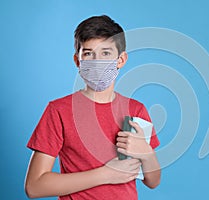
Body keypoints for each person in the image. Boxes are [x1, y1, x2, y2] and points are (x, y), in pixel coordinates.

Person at [25, 15, 161, 200]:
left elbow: (153, 181)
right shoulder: (59, 111)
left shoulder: (135, 110)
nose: (97, 62)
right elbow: (35, 186)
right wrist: (106, 174)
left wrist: (147, 154)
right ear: (77, 61)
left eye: (106, 53)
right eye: (88, 53)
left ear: (121, 60)